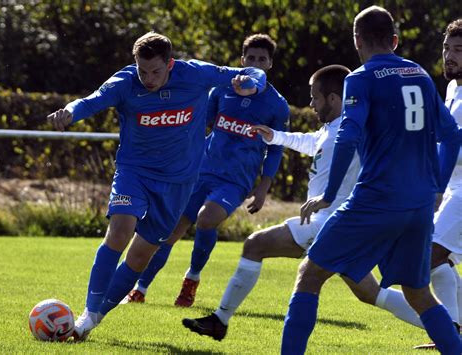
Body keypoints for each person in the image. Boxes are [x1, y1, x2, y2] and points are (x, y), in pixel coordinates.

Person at [46, 31, 268, 341]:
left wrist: (253, 82)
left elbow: (249, 73)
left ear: (170, 64)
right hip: (134, 171)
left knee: (139, 257)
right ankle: (86, 314)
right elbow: (91, 100)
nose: (148, 79)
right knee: (120, 231)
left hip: (178, 183)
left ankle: (93, 319)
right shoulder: (125, 83)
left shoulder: (195, 74)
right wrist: (71, 112)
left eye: (156, 71)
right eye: (142, 70)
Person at [181, 65, 425, 341]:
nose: (310, 103)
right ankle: (445, 326)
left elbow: (383, 161)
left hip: (329, 222)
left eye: (315, 97)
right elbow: (311, 143)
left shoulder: (354, 131)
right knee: (370, 293)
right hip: (341, 227)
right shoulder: (332, 128)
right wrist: (275, 136)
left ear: (333, 99)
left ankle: (221, 320)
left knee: (255, 245)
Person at [281, 6, 462, 354]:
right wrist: (436, 187)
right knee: (419, 294)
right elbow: (452, 136)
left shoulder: (360, 78)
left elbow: (347, 136)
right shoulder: (421, 75)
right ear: (394, 40)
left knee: (310, 275)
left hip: (376, 199)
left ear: (357, 40)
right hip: (420, 204)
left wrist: (329, 194)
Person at [123, 34, 289, 307]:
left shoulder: (277, 105)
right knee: (169, 232)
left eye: (262, 59)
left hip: (236, 179)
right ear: (241, 61)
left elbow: (276, 148)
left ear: (270, 63)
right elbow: (200, 126)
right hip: (200, 171)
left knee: (207, 218)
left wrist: (263, 187)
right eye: (251, 58)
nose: (256, 62)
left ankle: (192, 279)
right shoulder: (221, 91)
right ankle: (139, 288)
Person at [415, 18, 462, 350]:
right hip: (452, 188)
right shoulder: (451, 88)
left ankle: (450, 333)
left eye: (459, 51)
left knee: (426, 255)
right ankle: (454, 331)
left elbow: (454, 144)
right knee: (433, 258)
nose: (450, 56)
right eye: (447, 48)